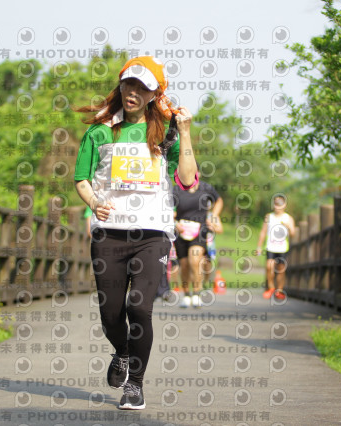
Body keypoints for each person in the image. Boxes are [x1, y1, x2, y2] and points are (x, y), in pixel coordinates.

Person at [74, 56, 198, 410]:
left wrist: (185, 132)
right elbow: (81, 178)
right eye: (129, 84)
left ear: (154, 94)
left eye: (142, 87)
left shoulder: (166, 133)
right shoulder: (100, 132)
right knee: (111, 314)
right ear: (121, 86)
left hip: (152, 234)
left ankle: (136, 385)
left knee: (139, 307)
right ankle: (122, 351)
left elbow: (187, 179)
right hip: (109, 234)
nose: (133, 92)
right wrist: (94, 201)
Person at [173, 175, 223, 307]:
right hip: (181, 231)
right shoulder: (176, 190)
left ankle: (196, 293)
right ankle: (186, 295)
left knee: (194, 261)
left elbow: (218, 201)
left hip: (200, 230)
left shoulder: (206, 188)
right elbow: (167, 209)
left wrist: (214, 216)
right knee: (184, 264)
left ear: (198, 174)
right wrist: (175, 223)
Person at [256, 194, 296, 300]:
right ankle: (271, 288)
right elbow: (263, 232)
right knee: (269, 266)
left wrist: (288, 226)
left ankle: (279, 290)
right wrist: (259, 246)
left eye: (280, 203)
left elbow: (293, 233)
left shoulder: (288, 218)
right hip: (270, 246)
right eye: (275, 203)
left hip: (282, 248)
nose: (277, 206)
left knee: (281, 270)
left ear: (284, 205)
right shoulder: (269, 216)